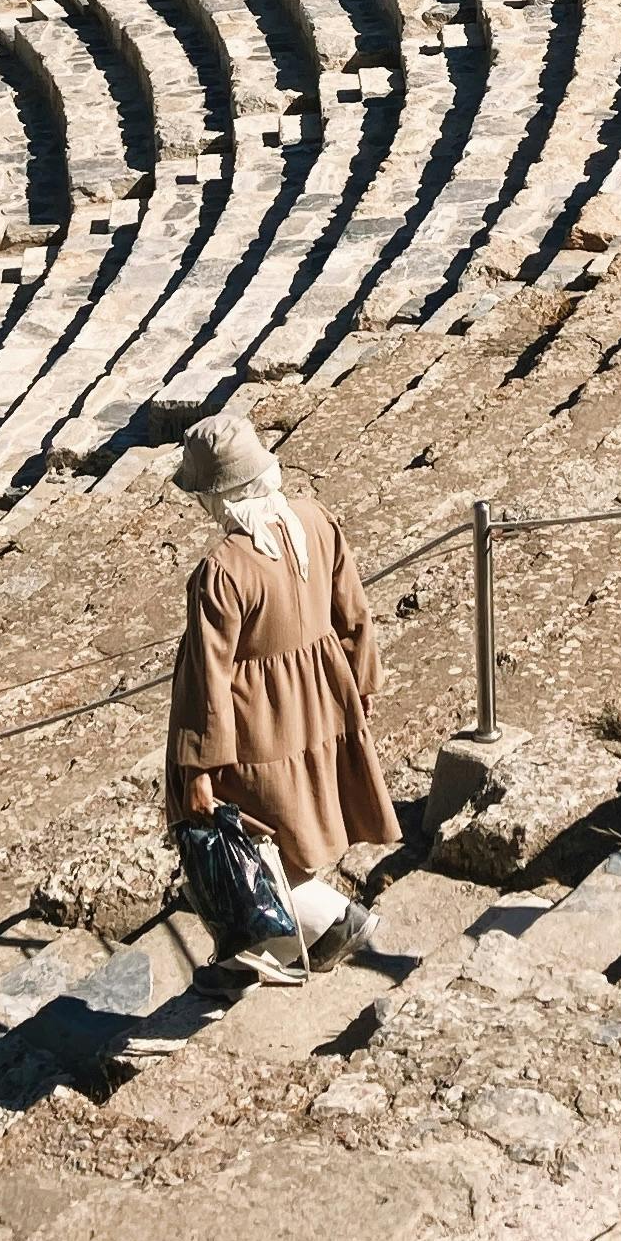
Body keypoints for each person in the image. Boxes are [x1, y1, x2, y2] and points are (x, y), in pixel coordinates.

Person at [165, 412, 393, 978]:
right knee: (290, 827)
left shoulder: (223, 568)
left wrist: (198, 769)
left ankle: (335, 920)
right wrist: (359, 688)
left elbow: (208, 675)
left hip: (253, 727)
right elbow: (356, 616)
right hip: (319, 702)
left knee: (248, 839)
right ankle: (292, 943)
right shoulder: (316, 522)